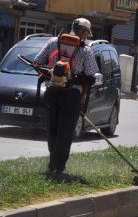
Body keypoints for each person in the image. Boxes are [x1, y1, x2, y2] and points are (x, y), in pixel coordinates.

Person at [34, 18, 99, 175]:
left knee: (52, 130)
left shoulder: (52, 42)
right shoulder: (85, 50)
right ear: (83, 31)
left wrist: (51, 74)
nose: (86, 36)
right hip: (71, 95)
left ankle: (53, 163)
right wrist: (83, 96)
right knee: (65, 131)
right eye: (86, 33)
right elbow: (91, 76)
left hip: (51, 93)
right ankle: (58, 167)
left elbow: (37, 63)